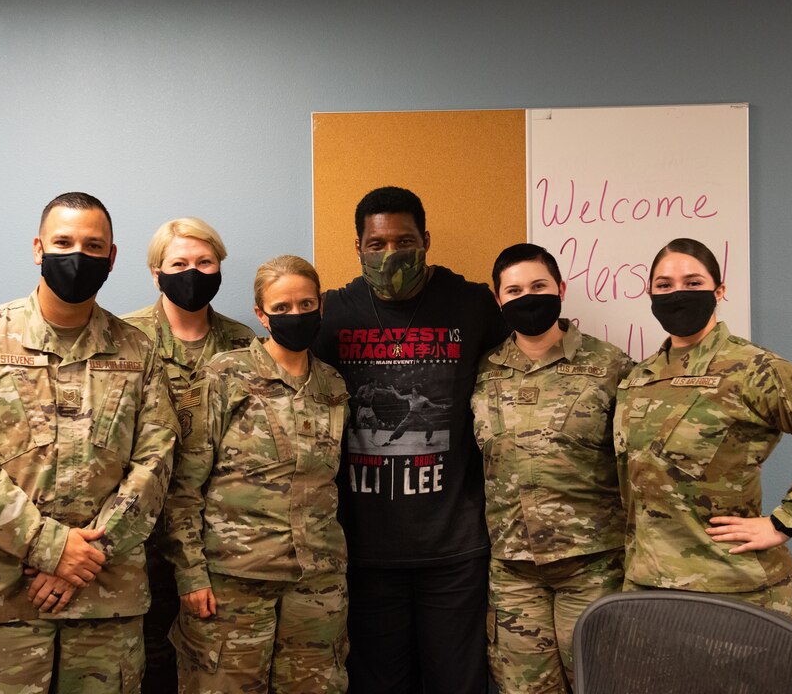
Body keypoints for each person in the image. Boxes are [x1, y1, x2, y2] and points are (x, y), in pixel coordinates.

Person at [0, 192, 178, 692]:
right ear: (38, 248)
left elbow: (157, 458)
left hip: (105, 602)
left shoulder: (138, 351)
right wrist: (51, 547)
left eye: (92, 244)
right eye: (63, 242)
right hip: (0, 603)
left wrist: (83, 559)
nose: (77, 254)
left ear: (112, 256)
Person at [614, 237, 792, 618]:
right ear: (651, 294)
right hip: (647, 586)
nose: (677, 294)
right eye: (664, 286)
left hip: (733, 589)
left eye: (693, 283)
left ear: (719, 291)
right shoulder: (638, 378)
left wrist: (783, 522)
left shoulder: (754, 369)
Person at [313, 186, 508, 693]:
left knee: (458, 683)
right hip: (363, 548)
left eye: (404, 240)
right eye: (376, 244)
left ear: (426, 240)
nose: (390, 253)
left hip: (455, 547)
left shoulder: (472, 305)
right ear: (357, 247)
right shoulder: (330, 313)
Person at [165, 255, 350, 694]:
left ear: (321, 305)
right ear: (261, 314)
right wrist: (190, 575)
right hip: (232, 585)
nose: (296, 316)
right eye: (282, 308)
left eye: (306, 305)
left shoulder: (333, 386)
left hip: (317, 582)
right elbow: (184, 486)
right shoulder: (225, 376)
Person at [471, 243, 633, 692]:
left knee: (602, 683)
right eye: (515, 290)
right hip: (512, 569)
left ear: (561, 289)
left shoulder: (611, 366)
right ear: (499, 299)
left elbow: (638, 463)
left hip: (594, 566)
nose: (528, 297)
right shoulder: (484, 371)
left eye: (539, 286)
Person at [122, 217, 255, 692]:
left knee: (210, 661)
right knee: (142, 660)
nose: (193, 272)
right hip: (135, 532)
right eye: (179, 263)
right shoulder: (125, 339)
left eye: (205, 262)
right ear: (156, 272)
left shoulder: (245, 345)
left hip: (216, 536)